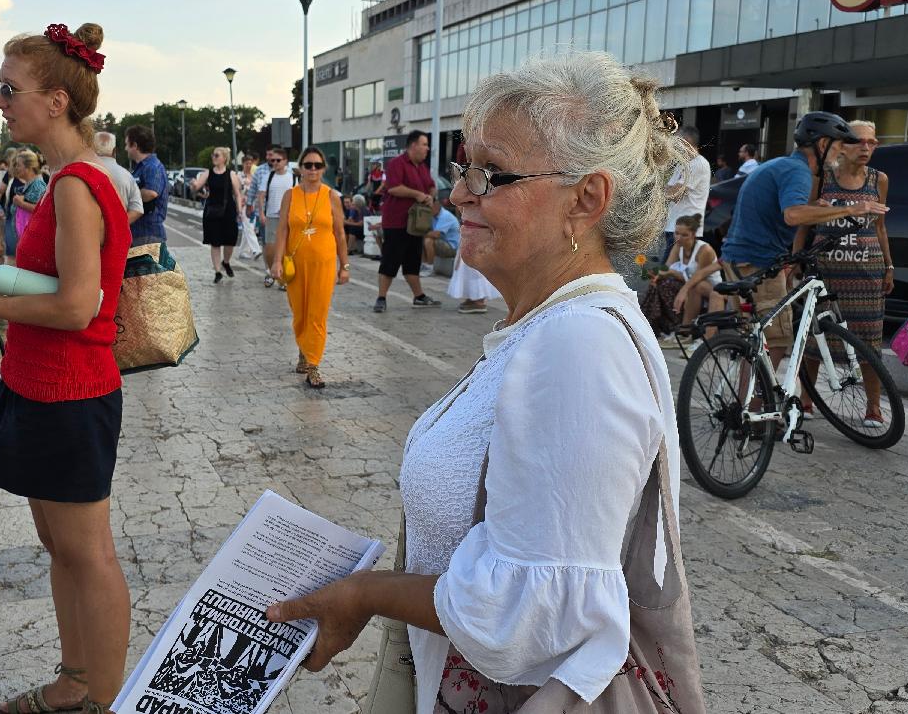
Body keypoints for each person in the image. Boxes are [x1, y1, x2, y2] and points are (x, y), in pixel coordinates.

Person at [265, 52, 705, 713]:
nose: (460, 193)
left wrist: (364, 596)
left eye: (491, 173)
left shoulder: (578, 342)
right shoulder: (546, 325)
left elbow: (527, 617)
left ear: (587, 200)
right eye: (462, 168)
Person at [0, 22, 130, 714]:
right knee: (61, 546)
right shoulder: (72, 179)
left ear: (57, 102)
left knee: (86, 553)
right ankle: (76, 682)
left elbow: (75, 306)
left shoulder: (74, 185)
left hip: (69, 390)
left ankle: (101, 697)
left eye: (10, 90)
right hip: (46, 385)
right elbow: (43, 280)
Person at [721, 112, 888, 370]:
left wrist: (816, 207)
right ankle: (755, 408)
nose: (840, 151)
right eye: (838, 144)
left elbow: (789, 209)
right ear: (822, 145)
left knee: (758, 339)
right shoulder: (798, 171)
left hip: (740, 258)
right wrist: (851, 209)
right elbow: (794, 215)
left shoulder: (781, 165)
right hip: (758, 263)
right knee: (775, 340)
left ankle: (746, 403)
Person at [798, 120, 892, 423]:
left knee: (869, 342)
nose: (866, 148)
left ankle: (873, 407)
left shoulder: (879, 180)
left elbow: (880, 227)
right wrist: (794, 260)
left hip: (867, 273)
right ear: (843, 143)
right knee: (814, 339)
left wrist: (889, 265)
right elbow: (805, 221)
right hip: (828, 271)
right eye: (859, 141)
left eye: (872, 142)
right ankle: (806, 400)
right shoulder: (822, 177)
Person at [272, 147, 348, 387]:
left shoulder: (330, 196)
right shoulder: (290, 195)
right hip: (295, 264)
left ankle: (313, 365)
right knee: (300, 313)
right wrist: (276, 261)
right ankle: (304, 351)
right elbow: (282, 230)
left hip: (323, 264)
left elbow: (340, 233)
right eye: (308, 165)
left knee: (317, 313)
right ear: (300, 168)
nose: (312, 169)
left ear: (323, 168)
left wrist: (344, 265)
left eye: (317, 165)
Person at [375, 130, 441, 311]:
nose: (427, 148)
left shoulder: (422, 167)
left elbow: (431, 186)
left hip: (416, 224)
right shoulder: (396, 163)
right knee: (390, 261)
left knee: (413, 261)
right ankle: (381, 298)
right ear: (413, 146)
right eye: (424, 144)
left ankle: (418, 296)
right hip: (396, 221)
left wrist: (430, 195)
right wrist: (419, 194)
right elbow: (394, 188)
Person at [640, 213, 723, 341]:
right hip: (688, 284)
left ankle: (685, 330)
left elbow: (698, 279)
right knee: (659, 284)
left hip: (707, 287)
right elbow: (667, 268)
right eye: (677, 233)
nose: (679, 238)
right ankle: (662, 327)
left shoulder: (704, 250)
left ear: (693, 235)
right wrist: (655, 274)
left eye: (684, 235)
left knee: (691, 286)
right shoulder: (678, 246)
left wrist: (672, 274)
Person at [193, 146, 244, 283]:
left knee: (230, 241)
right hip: (212, 211)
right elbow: (197, 186)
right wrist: (193, 185)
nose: (213, 158)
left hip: (228, 210)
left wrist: (239, 210)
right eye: (213, 155)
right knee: (215, 243)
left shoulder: (231, 174)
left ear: (224, 158)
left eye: (216, 155)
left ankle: (226, 262)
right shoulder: (208, 173)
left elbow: (238, 194)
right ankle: (217, 272)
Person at [662, 125, 709, 256]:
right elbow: (667, 189)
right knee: (673, 272)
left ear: (686, 141)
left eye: (676, 141)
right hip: (674, 226)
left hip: (687, 229)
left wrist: (666, 191)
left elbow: (674, 194)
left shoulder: (699, 164)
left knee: (671, 271)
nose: (673, 145)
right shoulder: (683, 163)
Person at [256, 148, 297, 288]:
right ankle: (270, 271)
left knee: (285, 248)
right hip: (271, 216)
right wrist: (261, 213)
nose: (275, 163)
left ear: (285, 161)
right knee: (269, 247)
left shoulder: (292, 177)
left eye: (278, 160)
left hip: (288, 217)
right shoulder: (269, 176)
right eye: (272, 160)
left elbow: (297, 197)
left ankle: (282, 277)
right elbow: (261, 195)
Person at [126, 123, 167, 246]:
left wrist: (127, 194)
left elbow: (151, 193)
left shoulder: (151, 166)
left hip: (148, 234)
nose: (125, 149)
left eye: (127, 144)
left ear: (135, 146)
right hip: (141, 233)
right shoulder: (142, 167)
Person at [90, 131, 143, 224]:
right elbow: (137, 209)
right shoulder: (127, 176)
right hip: (117, 236)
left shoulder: (83, 171)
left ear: (92, 148)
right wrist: (117, 226)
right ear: (114, 151)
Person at [420, 202, 460, 277]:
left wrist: (421, 234)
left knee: (428, 241)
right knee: (421, 240)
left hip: (452, 248)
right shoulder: (433, 215)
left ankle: (429, 268)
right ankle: (424, 265)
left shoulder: (445, 215)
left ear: (436, 207)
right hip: (444, 243)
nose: (427, 210)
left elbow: (436, 234)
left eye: (429, 208)